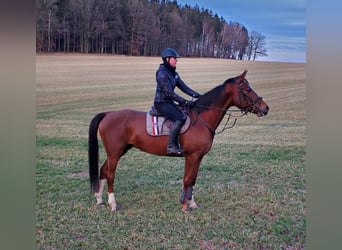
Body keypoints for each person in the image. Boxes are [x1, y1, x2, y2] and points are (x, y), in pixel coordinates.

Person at [153, 48, 201, 155]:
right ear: (167, 59)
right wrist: (185, 102)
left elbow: (184, 87)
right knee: (180, 118)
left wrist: (198, 96)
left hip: (169, 102)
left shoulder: (173, 73)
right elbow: (169, 93)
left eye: (176, 59)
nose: (176, 60)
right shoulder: (162, 74)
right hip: (161, 103)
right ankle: (171, 146)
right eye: (174, 58)